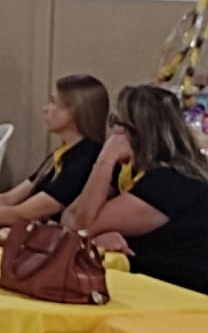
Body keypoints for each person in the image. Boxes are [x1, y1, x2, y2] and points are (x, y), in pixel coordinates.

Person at [63, 84, 208, 293]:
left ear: (135, 131)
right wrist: (94, 237)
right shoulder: (129, 171)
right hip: (146, 286)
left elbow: (79, 226)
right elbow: (69, 218)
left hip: (182, 295)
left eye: (116, 122)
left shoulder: (170, 182)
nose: (112, 131)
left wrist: (105, 159)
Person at [0, 75, 109, 223]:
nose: (45, 109)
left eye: (54, 102)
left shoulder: (85, 160)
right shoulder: (62, 153)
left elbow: (22, 214)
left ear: (76, 112)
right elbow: (9, 198)